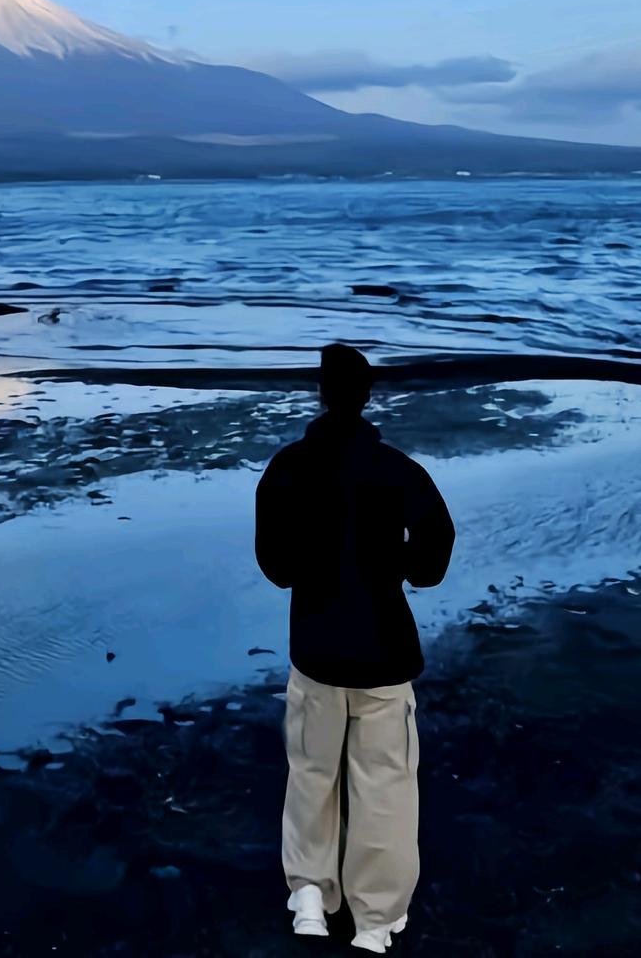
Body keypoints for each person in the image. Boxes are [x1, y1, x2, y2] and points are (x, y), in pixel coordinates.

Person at [255, 343, 455, 952]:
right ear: (367, 396)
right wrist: (403, 567)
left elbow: (276, 564)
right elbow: (436, 541)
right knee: (384, 781)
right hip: (384, 645)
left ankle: (310, 896)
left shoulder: (288, 466)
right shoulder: (397, 467)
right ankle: (375, 919)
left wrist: (313, 567)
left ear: (322, 392)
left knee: (312, 771)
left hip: (315, 642)